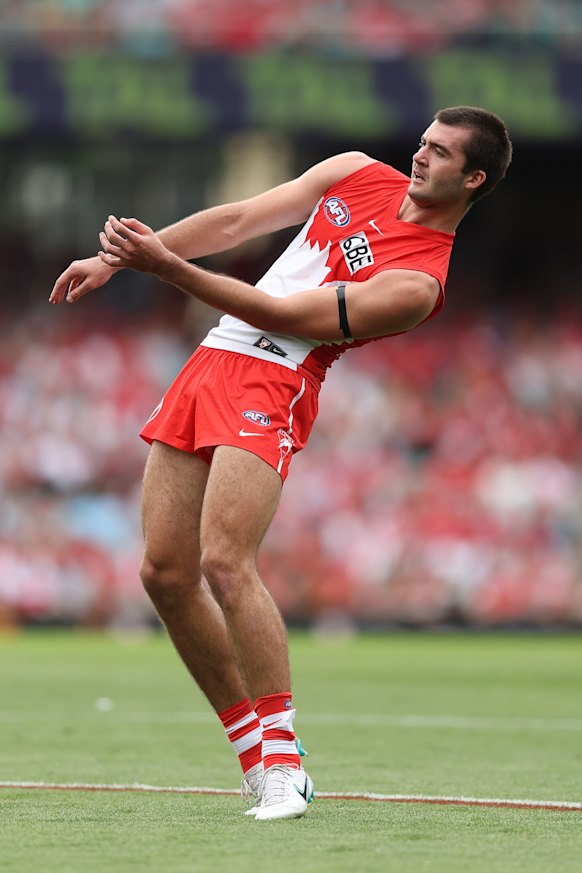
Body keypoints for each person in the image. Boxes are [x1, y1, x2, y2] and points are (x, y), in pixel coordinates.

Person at [50, 106, 512, 820]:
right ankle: (254, 757)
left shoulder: (419, 283)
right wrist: (116, 259)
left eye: (441, 152)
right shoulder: (356, 171)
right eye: (422, 142)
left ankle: (286, 763)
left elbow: (288, 317)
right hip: (214, 358)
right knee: (164, 572)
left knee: (225, 561)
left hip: (276, 375)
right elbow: (238, 221)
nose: (420, 156)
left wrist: (169, 270)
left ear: (472, 178)